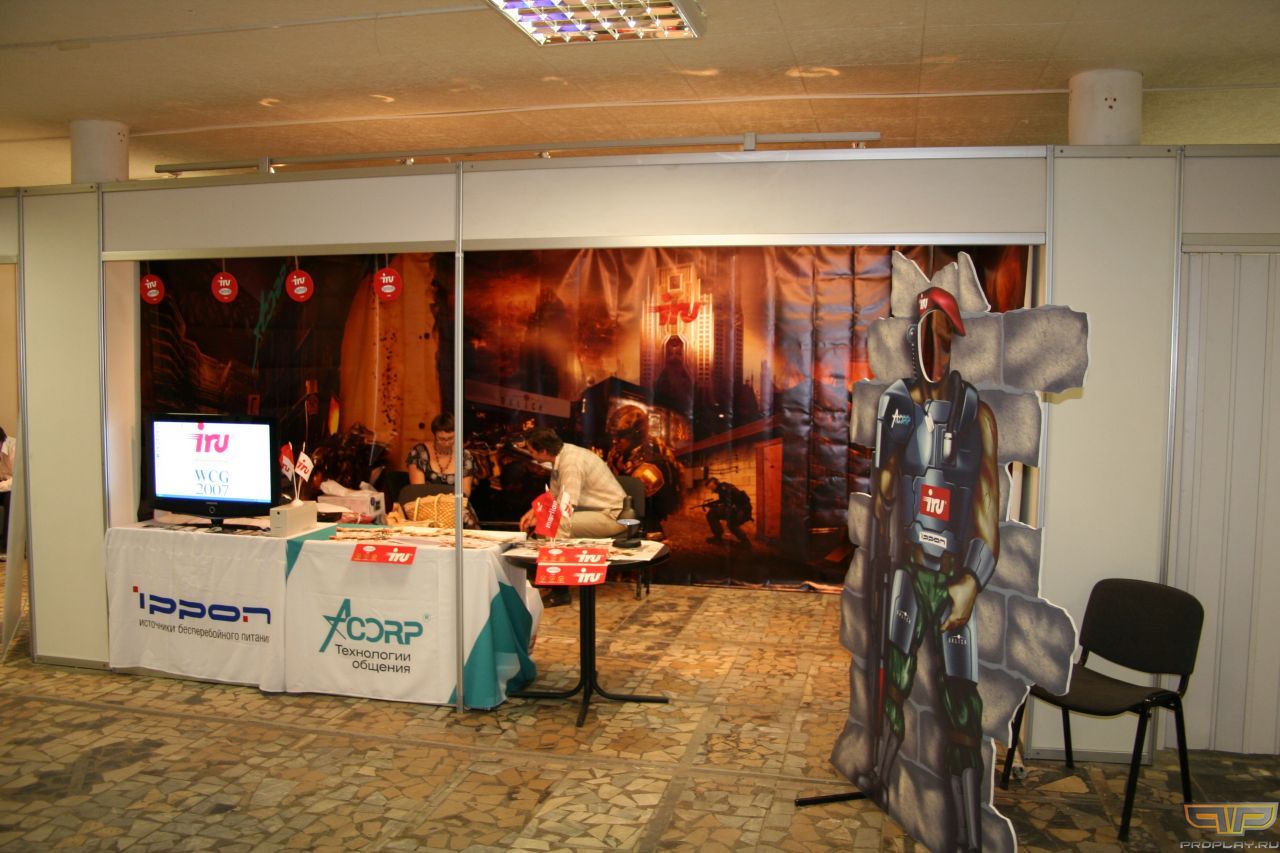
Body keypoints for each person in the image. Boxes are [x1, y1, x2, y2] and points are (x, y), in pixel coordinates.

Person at [862, 286, 1000, 853]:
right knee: (891, 677)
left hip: (952, 578)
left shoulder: (976, 415)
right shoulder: (896, 405)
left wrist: (972, 581)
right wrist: (886, 473)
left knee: (961, 702)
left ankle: (970, 834)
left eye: (943, 339)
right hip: (908, 567)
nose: (934, 351)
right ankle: (879, 776)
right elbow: (883, 494)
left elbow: (987, 514)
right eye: (928, 336)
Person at [518, 426, 625, 539]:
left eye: (531, 451)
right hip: (598, 512)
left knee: (553, 524)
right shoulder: (560, 454)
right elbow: (554, 496)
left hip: (613, 516)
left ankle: (555, 550)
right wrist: (534, 512)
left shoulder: (571, 463)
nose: (530, 454)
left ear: (543, 451)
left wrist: (544, 519)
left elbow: (566, 506)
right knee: (545, 522)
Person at [605, 404, 682, 539]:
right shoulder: (617, 453)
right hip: (623, 517)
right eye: (614, 435)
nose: (615, 441)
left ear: (636, 435)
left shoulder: (653, 459)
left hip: (646, 523)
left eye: (621, 435)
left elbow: (654, 504)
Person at [405, 413, 479, 527]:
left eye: (451, 438)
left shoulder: (465, 456)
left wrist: (448, 507)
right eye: (441, 439)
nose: (446, 443)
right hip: (426, 509)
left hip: (456, 508)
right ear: (434, 435)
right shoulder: (419, 453)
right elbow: (418, 490)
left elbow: (465, 492)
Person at [701, 477, 752, 546]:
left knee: (712, 514)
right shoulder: (723, 488)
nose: (712, 490)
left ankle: (718, 537)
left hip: (741, 511)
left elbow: (728, 503)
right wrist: (713, 504)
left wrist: (716, 506)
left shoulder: (723, 488)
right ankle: (745, 542)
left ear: (715, 484)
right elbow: (724, 501)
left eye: (712, 488)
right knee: (731, 524)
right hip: (742, 509)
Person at [0, 426, 14, 555]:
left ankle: (7, 547)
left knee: (11, 499)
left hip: (14, 487)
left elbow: (18, 480)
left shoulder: (13, 446)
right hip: (4, 484)